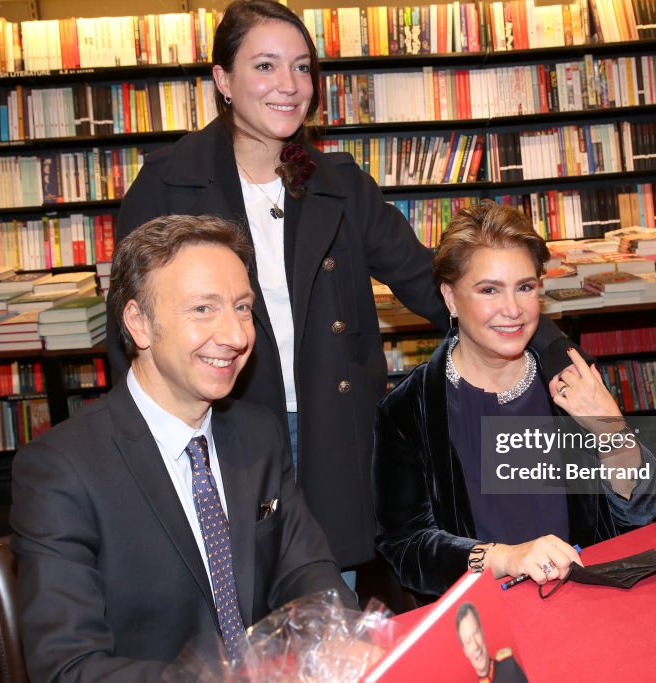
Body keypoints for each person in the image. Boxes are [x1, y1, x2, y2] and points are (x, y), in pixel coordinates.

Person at [108, 0, 450, 574]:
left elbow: (428, 282)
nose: (289, 85)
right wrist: (135, 449)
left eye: (301, 67)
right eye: (265, 66)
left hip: (331, 425)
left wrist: (544, 346)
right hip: (215, 428)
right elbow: (127, 323)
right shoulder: (166, 182)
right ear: (222, 79)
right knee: (229, 605)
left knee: (328, 606)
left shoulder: (340, 182)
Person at [11, 214, 356, 681]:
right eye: (203, 309)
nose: (237, 336)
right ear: (139, 323)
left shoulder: (258, 433)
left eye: (241, 307)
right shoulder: (62, 471)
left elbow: (308, 572)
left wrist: (341, 640)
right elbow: (67, 668)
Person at [373, 202, 656, 597]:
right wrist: (504, 558)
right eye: (489, 290)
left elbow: (640, 512)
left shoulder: (571, 382)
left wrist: (613, 431)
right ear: (451, 298)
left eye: (525, 287)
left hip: (587, 600)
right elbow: (408, 549)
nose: (512, 310)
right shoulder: (408, 410)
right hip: (484, 619)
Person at [455, 603, 528, 683]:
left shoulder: (509, 667)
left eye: (476, 633)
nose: (475, 646)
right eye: (468, 642)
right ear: (465, 651)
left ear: (482, 631)